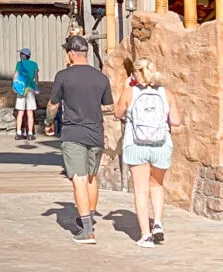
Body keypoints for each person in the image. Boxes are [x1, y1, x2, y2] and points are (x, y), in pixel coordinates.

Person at [44, 35, 113, 245]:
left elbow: (53, 104)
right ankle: (89, 218)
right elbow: (107, 105)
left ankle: (87, 230)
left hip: (74, 132)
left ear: (72, 53)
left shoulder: (63, 76)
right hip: (96, 133)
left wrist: (48, 122)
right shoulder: (101, 77)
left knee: (79, 179)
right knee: (92, 177)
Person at [114, 57, 181, 248]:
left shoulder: (130, 92)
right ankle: (158, 223)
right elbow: (175, 120)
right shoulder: (166, 93)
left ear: (136, 73)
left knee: (141, 190)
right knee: (157, 185)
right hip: (161, 144)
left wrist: (125, 87)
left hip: (136, 144)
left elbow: (118, 113)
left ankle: (145, 235)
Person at [13, 47, 40, 141]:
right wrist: (37, 88)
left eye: (21, 54)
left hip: (21, 89)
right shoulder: (34, 64)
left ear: (24, 55)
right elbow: (36, 78)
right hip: (31, 89)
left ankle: (18, 133)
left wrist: (14, 87)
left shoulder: (19, 64)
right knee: (30, 112)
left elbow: (16, 76)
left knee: (20, 112)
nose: (20, 56)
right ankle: (30, 133)